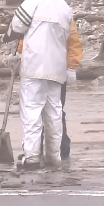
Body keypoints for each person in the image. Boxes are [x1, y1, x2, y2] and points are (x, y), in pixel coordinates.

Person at [3, 0, 74, 170]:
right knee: (54, 112)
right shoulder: (64, 7)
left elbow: (17, 27)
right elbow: (67, 39)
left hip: (34, 66)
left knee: (32, 110)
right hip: (57, 68)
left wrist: (5, 37)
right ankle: (54, 157)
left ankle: (32, 156)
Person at [17, 19, 82, 159]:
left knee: (35, 111)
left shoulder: (33, 10)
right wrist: (71, 65)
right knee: (55, 109)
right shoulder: (63, 12)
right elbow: (73, 42)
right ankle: (58, 149)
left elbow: (24, 37)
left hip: (35, 68)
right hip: (56, 68)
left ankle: (35, 151)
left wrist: (20, 53)